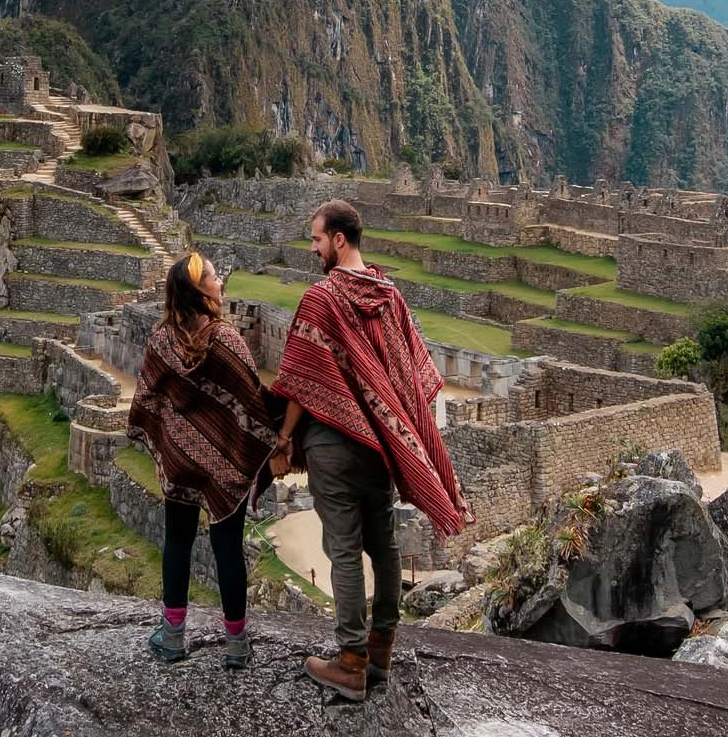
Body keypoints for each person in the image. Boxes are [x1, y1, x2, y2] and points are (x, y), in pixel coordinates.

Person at [270, 199, 472, 701]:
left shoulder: (323, 298)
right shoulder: (390, 297)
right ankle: (382, 647)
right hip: (381, 446)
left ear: (339, 239)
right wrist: (395, 429)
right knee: (382, 544)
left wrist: (282, 439)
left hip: (333, 445)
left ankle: (351, 660)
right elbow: (412, 379)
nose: (313, 249)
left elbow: (298, 380)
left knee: (342, 549)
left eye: (317, 239)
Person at [127, 251, 284, 670]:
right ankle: (236, 644)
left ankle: (173, 636)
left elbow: (146, 397)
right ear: (200, 290)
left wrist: (172, 435)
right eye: (214, 277)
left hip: (181, 462)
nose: (220, 282)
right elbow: (254, 402)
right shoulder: (226, 339)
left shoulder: (162, 340)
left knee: (176, 540)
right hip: (222, 468)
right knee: (227, 548)